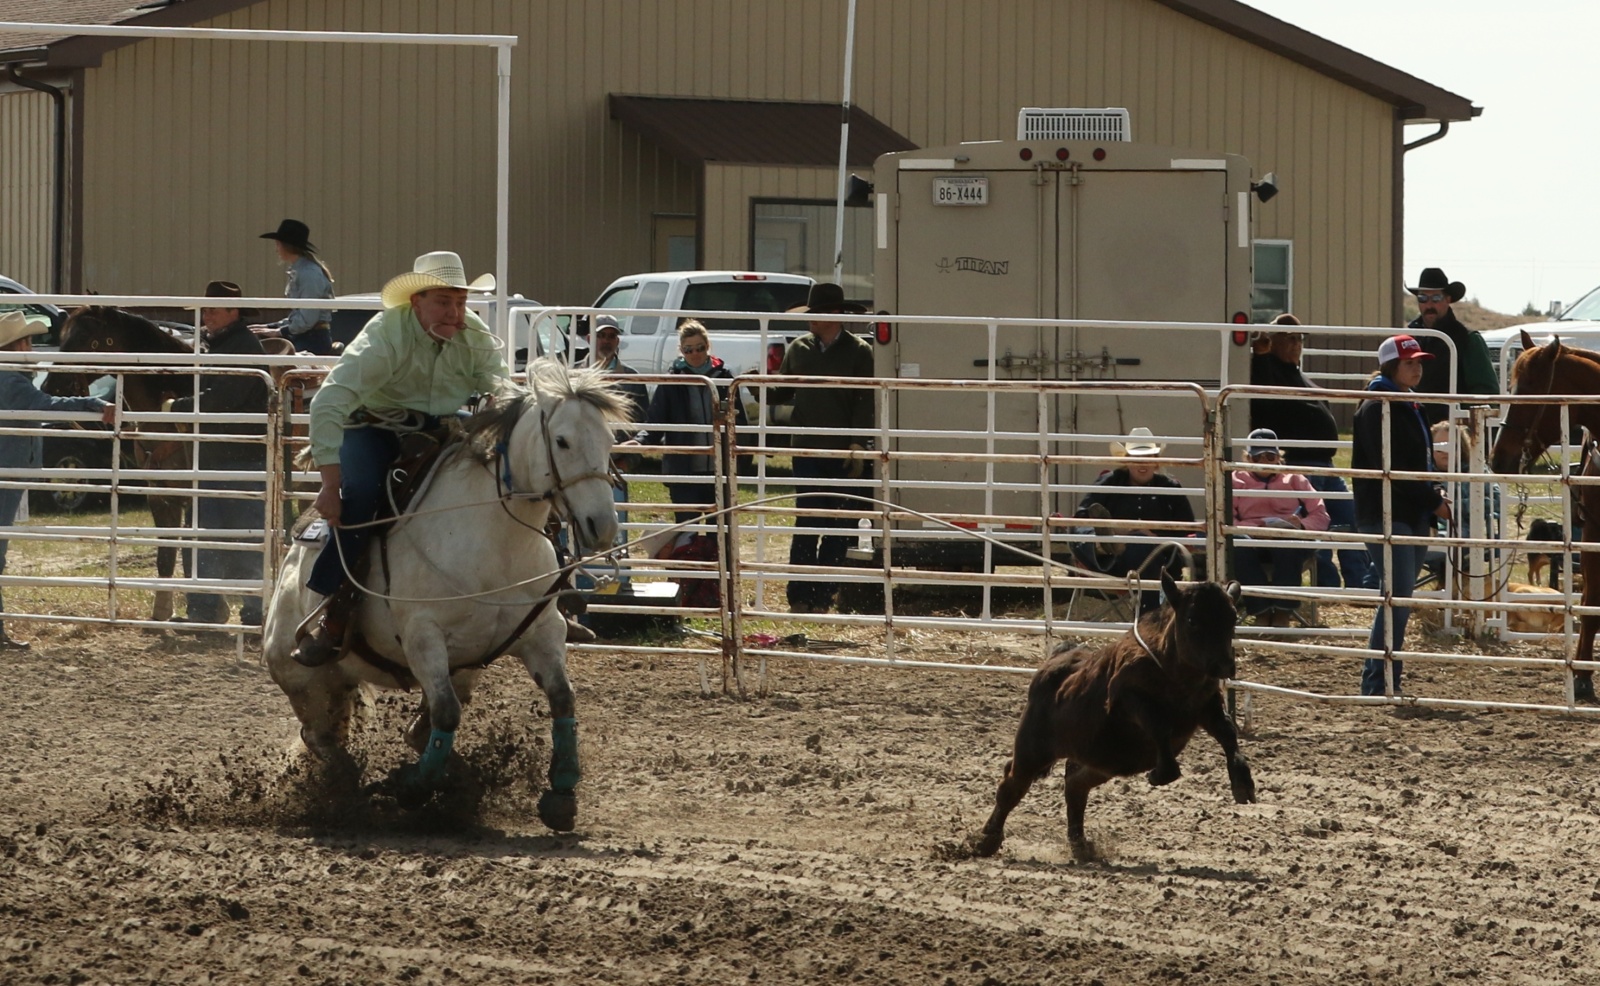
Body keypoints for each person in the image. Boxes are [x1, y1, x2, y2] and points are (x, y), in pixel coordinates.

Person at [291, 250, 510, 666]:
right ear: (417, 302)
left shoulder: (474, 335)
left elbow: (501, 385)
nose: (455, 313)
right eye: (444, 302)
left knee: (511, 480)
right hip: (371, 426)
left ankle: (537, 600)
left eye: (461, 302)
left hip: (443, 425)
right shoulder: (384, 337)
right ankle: (334, 612)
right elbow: (328, 403)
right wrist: (330, 485)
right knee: (362, 496)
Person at [0, 311, 117, 649]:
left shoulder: (10, 378)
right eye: (29, 342)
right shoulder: (11, 380)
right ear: (18, 346)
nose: (34, 348)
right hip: (6, 473)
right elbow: (46, 405)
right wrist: (92, 404)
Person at [1352, 334, 1451, 696]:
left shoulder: (1408, 404)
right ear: (1392, 366)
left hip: (1408, 509)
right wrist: (1433, 499)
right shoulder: (1378, 406)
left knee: (1397, 597)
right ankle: (1379, 682)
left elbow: (1415, 464)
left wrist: (1432, 494)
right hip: (1387, 510)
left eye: (1419, 362)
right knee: (1398, 596)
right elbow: (1390, 466)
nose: (1417, 368)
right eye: (1410, 362)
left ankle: (1383, 679)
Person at [167, 281, 270, 628]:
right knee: (208, 535)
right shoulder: (223, 344)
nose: (206, 315)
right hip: (222, 455)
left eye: (212, 309)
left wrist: (178, 408)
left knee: (237, 534)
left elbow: (223, 399)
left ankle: (244, 610)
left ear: (233, 312)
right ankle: (208, 608)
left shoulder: (241, 346)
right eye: (204, 309)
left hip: (238, 457)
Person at [771, 283, 876, 615]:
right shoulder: (799, 350)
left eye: (815, 315)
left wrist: (857, 441)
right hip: (807, 450)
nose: (810, 321)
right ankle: (800, 594)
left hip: (843, 450)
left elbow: (866, 399)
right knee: (809, 519)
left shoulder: (860, 352)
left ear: (832, 316)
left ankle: (823, 594)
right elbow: (784, 391)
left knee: (839, 525)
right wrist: (760, 387)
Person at [1249, 312, 1369, 590]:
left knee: (1351, 519)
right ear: (1273, 341)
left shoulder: (1296, 374)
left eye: (1300, 338)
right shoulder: (1266, 369)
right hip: (1299, 464)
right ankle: (1324, 584)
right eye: (1289, 338)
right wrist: (1263, 354)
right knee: (1317, 524)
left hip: (1324, 463)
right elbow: (1263, 402)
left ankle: (1359, 582)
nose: (1296, 344)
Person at [1070, 426, 1197, 613]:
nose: (1142, 464)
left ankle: (1148, 614)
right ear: (1127, 460)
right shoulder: (1110, 481)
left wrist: (1154, 535)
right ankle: (1103, 543)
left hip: (1159, 558)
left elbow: (1187, 527)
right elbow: (1081, 515)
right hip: (1114, 561)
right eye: (1136, 458)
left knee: (1144, 545)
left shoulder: (1170, 487)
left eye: (1148, 458)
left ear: (1156, 461)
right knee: (1077, 529)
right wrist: (1121, 531)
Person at [643, 320, 742, 526]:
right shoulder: (671, 381)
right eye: (688, 350)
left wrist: (738, 457)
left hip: (719, 469)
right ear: (681, 351)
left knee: (721, 533)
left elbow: (738, 421)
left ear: (708, 346)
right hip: (683, 470)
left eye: (700, 348)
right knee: (687, 530)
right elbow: (655, 423)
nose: (695, 354)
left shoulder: (725, 377)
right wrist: (638, 442)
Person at [1230, 428, 1329, 627]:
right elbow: (1227, 517)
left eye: (1270, 456)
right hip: (1252, 539)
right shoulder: (1235, 480)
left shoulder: (1295, 478)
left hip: (1287, 537)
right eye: (1257, 457)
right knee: (1238, 547)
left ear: (1279, 456)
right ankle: (1260, 610)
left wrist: (1300, 524)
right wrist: (1251, 530)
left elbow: (1320, 514)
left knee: (1288, 545)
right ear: (1248, 458)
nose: (1264, 462)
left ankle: (1283, 611)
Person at [1407, 267, 1498, 425]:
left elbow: (1485, 392)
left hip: (1452, 430)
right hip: (1414, 425)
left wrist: (1461, 421)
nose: (1429, 304)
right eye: (1422, 298)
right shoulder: (1409, 337)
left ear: (1447, 299)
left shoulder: (1467, 340)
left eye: (1436, 298)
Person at [252, 219, 336, 356]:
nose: (276, 249)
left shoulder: (308, 274)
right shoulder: (302, 271)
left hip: (312, 339)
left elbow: (308, 318)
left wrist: (279, 331)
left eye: (278, 244)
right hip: (306, 335)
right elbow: (301, 316)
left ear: (286, 246)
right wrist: (270, 326)